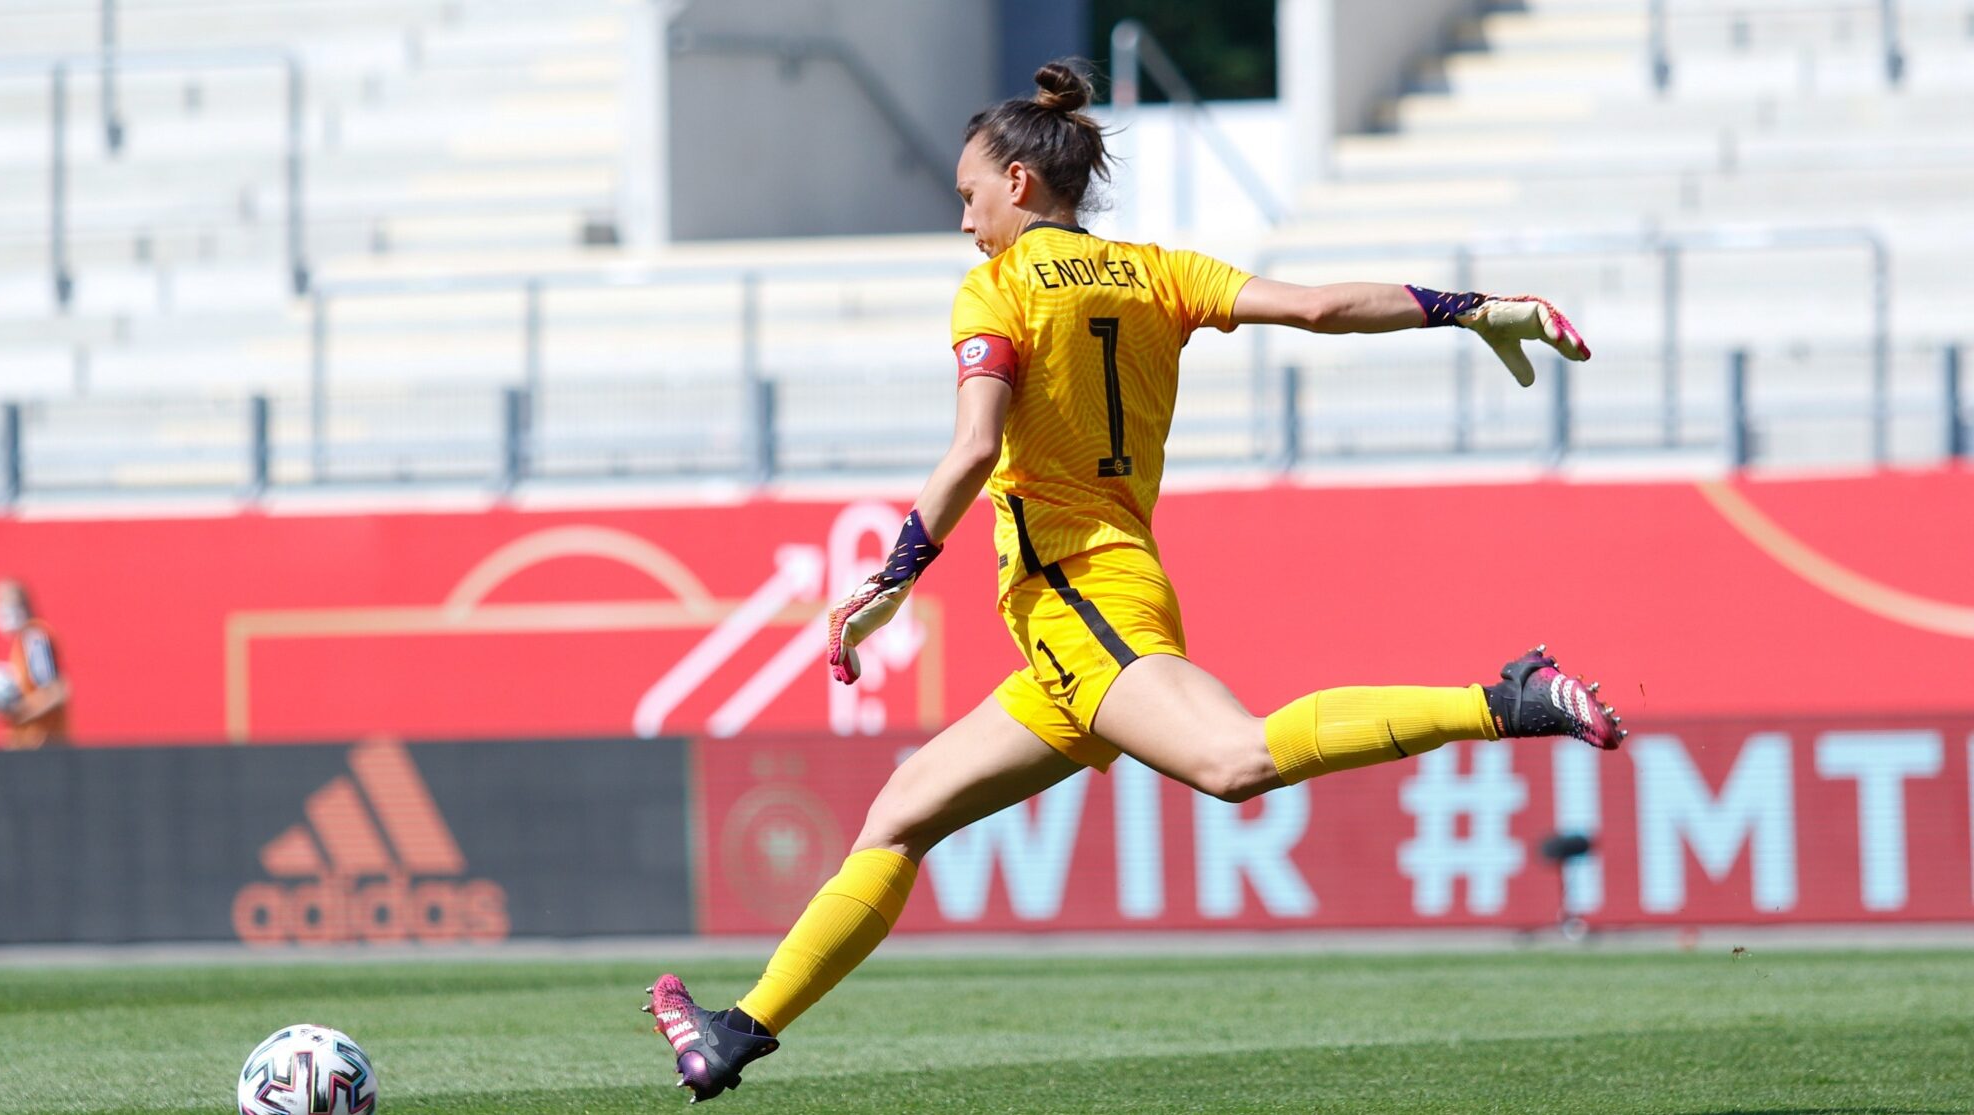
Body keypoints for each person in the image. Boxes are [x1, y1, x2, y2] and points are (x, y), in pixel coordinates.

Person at [645, 60, 1621, 1102]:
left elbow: (974, 446)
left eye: (970, 196)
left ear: (1019, 184)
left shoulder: (998, 285)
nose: (965, 220)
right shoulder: (1155, 270)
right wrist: (1471, 307)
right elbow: (1322, 305)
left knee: (1233, 758)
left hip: (1075, 596)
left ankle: (1504, 697)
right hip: (1093, 607)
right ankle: (736, 1031)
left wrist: (892, 575)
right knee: (898, 818)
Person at [0, 579, 70, 748]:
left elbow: (56, 692)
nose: (4, 613)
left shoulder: (34, 637)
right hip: (29, 747)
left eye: (10, 605)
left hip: (44, 745)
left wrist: (18, 713)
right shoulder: (21, 643)